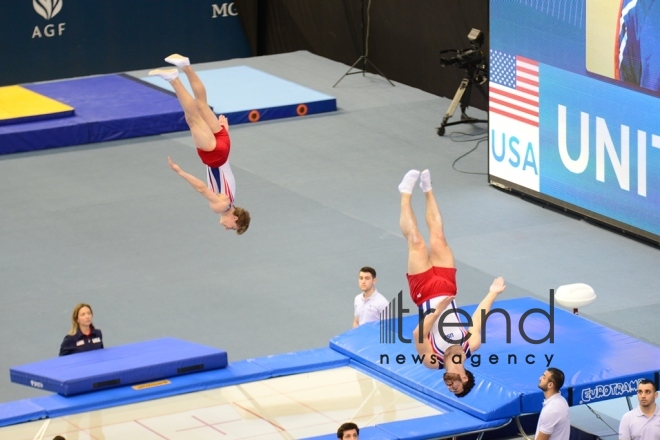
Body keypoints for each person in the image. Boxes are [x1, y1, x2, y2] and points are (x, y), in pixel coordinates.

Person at [398, 169, 506, 397]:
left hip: (425, 293)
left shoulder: (432, 360)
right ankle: (428, 189)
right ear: (465, 377)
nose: (449, 384)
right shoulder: (471, 345)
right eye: (455, 385)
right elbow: (478, 318)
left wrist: (437, 311)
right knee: (439, 236)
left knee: (416, 241)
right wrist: (492, 293)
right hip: (448, 286)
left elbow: (417, 335)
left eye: (449, 387)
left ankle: (405, 194)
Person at [150, 54, 250, 235]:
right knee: (193, 118)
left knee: (203, 106)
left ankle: (186, 66)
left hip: (223, 147)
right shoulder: (221, 206)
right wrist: (180, 172)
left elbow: (226, 168)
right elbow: (201, 188)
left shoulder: (231, 197)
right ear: (235, 218)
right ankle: (173, 79)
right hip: (214, 156)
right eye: (231, 227)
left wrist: (225, 134)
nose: (226, 228)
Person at [535, 368, 570, 440]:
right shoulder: (562, 401)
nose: (540, 378)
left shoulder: (551, 410)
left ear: (550, 385)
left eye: (544, 377)